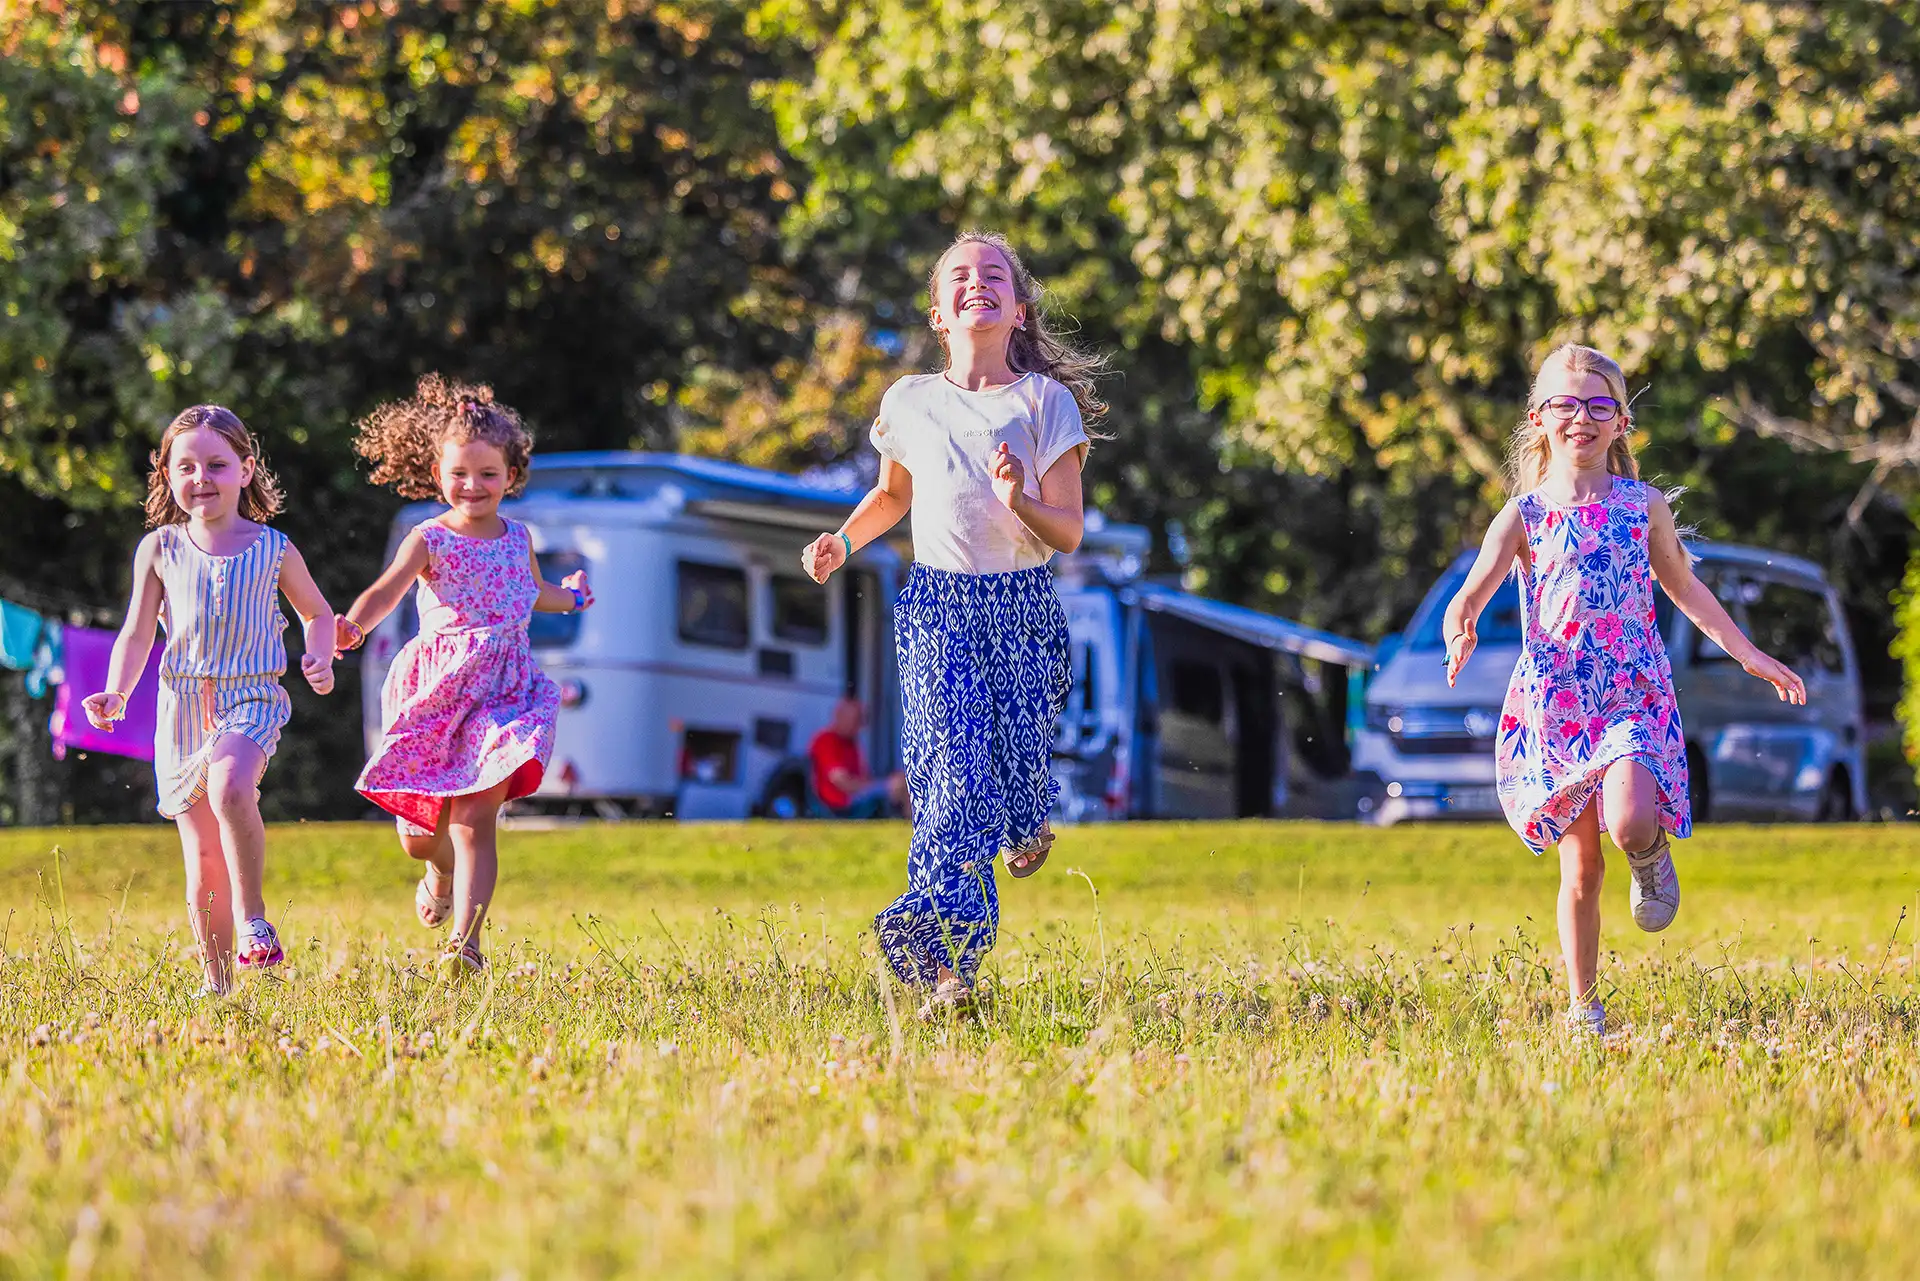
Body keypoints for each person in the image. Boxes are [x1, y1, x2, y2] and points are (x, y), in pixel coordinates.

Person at [1443, 343, 1806, 1038]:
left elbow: (1687, 589)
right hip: (1558, 703)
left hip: (1632, 691)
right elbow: (1475, 588)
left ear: (1621, 424)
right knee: (1579, 867)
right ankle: (1585, 1009)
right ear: (1539, 419)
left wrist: (1750, 653)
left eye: (1599, 404)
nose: (1582, 416)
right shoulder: (1522, 515)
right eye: (1566, 404)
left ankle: (1650, 855)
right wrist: (1460, 625)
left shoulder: (1643, 508)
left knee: (1633, 818)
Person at [800, 230, 1104, 1018]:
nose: (978, 283)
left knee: (1012, 764)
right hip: (938, 608)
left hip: (1022, 608)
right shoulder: (909, 401)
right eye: (959, 277)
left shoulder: (1044, 403)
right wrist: (843, 538)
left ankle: (1027, 815)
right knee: (950, 775)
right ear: (938, 312)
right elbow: (893, 496)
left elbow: (1067, 530)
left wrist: (1017, 500)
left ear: (1018, 307)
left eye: (994, 275)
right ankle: (943, 956)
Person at [333, 375, 592, 976]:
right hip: (438, 691)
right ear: (436, 472)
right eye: (459, 474)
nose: (472, 486)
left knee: (477, 818)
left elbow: (534, 593)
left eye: (488, 475)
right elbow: (386, 591)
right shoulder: (429, 538)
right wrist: (355, 624)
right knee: (422, 835)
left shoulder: (519, 537)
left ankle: (466, 946)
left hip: (504, 691)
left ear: (511, 476)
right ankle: (437, 869)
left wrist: (573, 598)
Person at [82, 405, 337, 994]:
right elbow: (137, 632)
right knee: (202, 859)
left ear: (246, 471)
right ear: (167, 476)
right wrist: (117, 691)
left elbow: (317, 613)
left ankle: (254, 922)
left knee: (229, 785)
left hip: (250, 697)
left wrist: (318, 655)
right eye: (187, 466)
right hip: (179, 709)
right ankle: (217, 983)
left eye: (217, 465)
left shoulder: (273, 548)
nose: (202, 478)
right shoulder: (158, 549)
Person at [808, 697, 908, 818]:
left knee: (902, 779)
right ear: (840, 716)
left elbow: (863, 775)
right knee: (899, 784)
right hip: (840, 801)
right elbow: (842, 782)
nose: (859, 726)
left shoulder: (851, 743)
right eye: (856, 720)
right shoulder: (826, 741)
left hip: (855, 795)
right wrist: (877, 786)